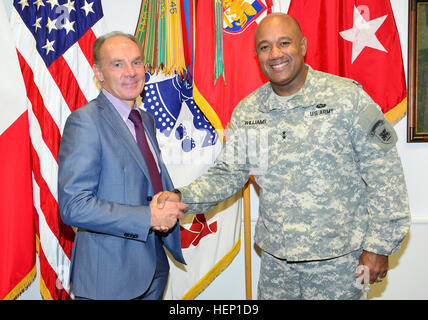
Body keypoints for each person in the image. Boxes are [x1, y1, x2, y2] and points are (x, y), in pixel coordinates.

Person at [158, 13, 411, 300]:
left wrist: (379, 246)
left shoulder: (345, 98)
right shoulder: (250, 111)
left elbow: (385, 173)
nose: (275, 54)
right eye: (265, 47)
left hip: (342, 263)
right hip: (278, 265)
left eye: (284, 43)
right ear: (256, 55)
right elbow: (229, 174)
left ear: (302, 46)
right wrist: (181, 197)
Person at [58, 31, 187, 300]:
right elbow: (74, 206)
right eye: (118, 64)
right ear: (99, 73)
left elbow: (148, 182)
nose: (131, 72)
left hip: (154, 268)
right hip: (109, 278)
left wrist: (168, 200)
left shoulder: (145, 119)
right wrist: (147, 217)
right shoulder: (85, 122)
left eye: (136, 62)